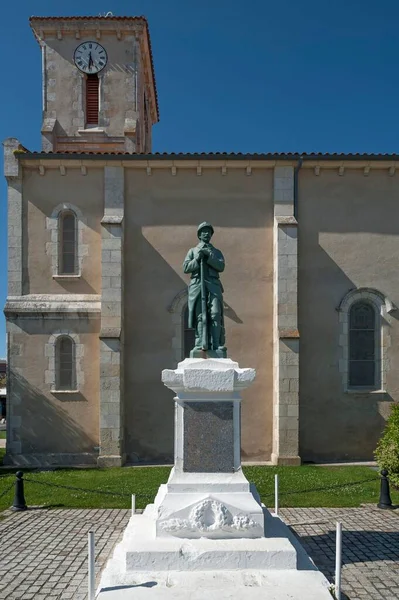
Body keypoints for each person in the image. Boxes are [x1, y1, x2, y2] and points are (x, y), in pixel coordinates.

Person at [183, 222, 226, 355]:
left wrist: (209, 257)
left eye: (208, 231)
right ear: (199, 234)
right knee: (200, 316)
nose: (206, 234)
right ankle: (200, 342)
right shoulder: (192, 251)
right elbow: (186, 268)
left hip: (213, 284)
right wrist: (197, 259)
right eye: (203, 231)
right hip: (197, 284)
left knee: (215, 313)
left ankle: (216, 344)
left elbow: (221, 266)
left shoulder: (216, 252)